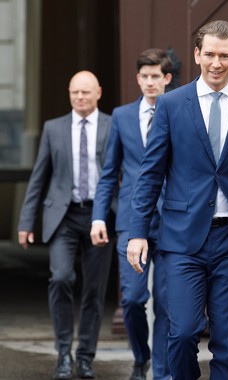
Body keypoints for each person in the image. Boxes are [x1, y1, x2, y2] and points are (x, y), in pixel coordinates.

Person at [125, 20, 228, 380]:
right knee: (182, 332)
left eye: (225, 55)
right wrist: (137, 232)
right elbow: (150, 174)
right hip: (182, 239)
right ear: (197, 55)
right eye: (210, 54)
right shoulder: (170, 105)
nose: (216, 63)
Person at [17, 71, 113, 380]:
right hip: (64, 217)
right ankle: (63, 353)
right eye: (74, 93)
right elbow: (39, 177)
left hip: (101, 217)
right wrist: (26, 221)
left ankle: (85, 356)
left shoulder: (114, 126)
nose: (80, 98)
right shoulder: (53, 128)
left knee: (95, 291)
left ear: (98, 92)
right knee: (60, 278)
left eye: (85, 92)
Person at [90, 48, 172, 380]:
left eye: (156, 76)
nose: (150, 82)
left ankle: (163, 370)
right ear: (138, 79)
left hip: (170, 218)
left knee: (167, 302)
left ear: (166, 79)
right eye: (144, 76)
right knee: (134, 299)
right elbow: (110, 172)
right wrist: (99, 216)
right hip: (129, 219)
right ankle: (142, 356)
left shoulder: (177, 112)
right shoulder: (122, 116)